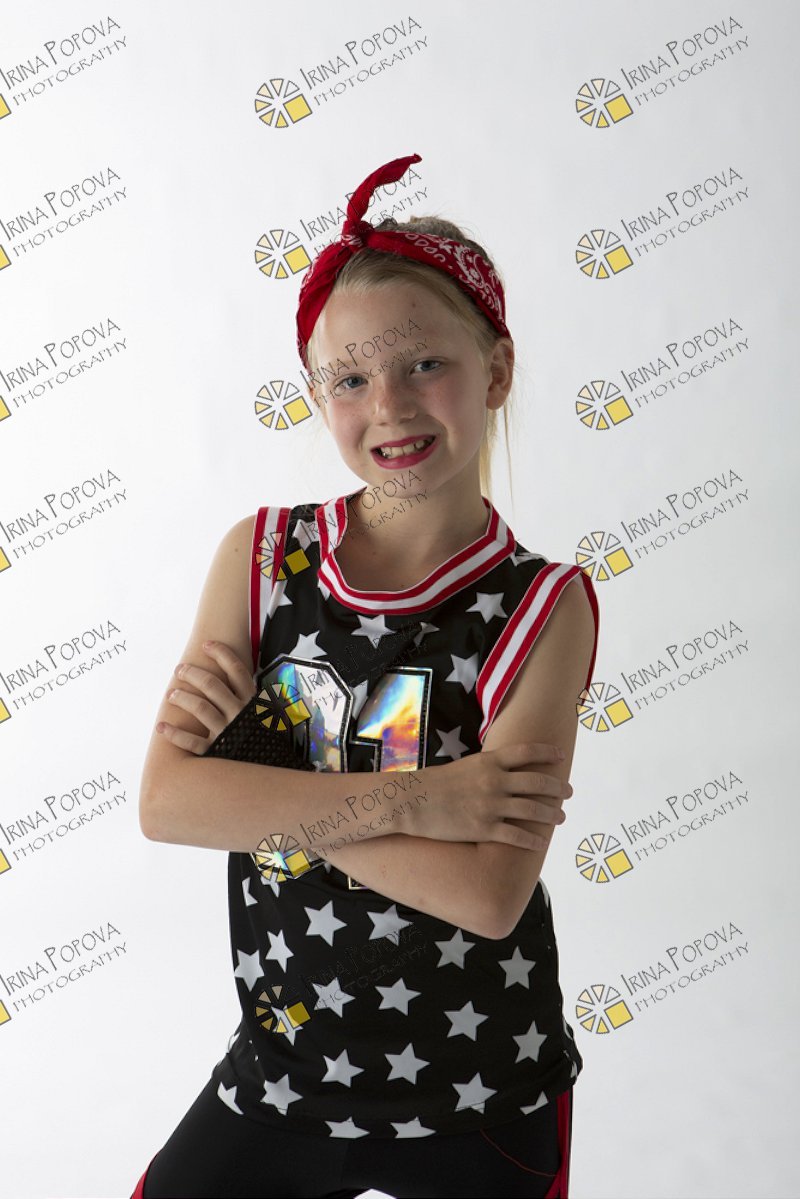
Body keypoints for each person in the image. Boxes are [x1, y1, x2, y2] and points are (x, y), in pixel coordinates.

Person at [130, 152, 599, 1199]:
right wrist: (425, 799)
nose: (388, 403)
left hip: (483, 1089)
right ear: (316, 394)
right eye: (349, 378)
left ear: (496, 369)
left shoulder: (542, 605)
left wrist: (257, 783)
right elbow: (167, 803)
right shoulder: (261, 559)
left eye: (424, 363)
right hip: (284, 1073)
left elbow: (487, 891)